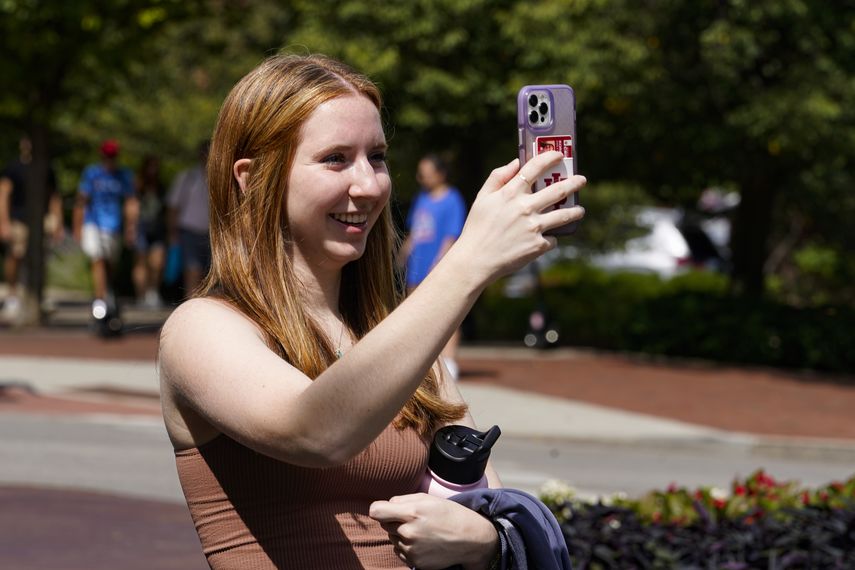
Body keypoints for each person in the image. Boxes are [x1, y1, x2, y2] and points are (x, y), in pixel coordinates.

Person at [157, 54, 585, 569]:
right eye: (336, 158)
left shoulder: (398, 339)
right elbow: (315, 432)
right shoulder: (201, 329)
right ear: (252, 177)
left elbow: (485, 496)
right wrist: (467, 263)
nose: (369, 184)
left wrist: (486, 540)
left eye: (377, 157)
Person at [400, 154, 468, 379]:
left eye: (426, 173)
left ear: (440, 174)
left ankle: (449, 360)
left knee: (447, 312)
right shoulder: (422, 199)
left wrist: (439, 262)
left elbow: (452, 234)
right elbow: (415, 232)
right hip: (416, 267)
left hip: (438, 266)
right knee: (414, 312)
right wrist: (402, 255)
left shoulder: (452, 199)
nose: (422, 178)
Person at [0, 136, 64, 322]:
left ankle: (37, 295)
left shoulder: (46, 167)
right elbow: (4, 194)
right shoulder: (13, 168)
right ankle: (12, 294)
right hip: (18, 218)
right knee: (16, 255)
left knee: (41, 258)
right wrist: (3, 221)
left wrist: (57, 221)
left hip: (41, 219)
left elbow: (54, 196)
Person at [72, 139, 137, 320]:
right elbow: (81, 200)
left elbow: (130, 202)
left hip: (113, 227)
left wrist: (131, 227)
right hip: (93, 223)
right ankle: (100, 300)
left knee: (110, 265)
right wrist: (78, 227)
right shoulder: (92, 174)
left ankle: (108, 295)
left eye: (112, 156)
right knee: (97, 259)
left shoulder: (124, 176)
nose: (110, 159)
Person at [166, 140, 210, 297]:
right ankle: (191, 305)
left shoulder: (218, 178)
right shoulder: (187, 177)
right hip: (189, 230)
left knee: (209, 276)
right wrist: (172, 233)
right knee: (192, 270)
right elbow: (173, 207)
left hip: (211, 233)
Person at [132, 154, 167, 308]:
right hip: (141, 226)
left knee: (157, 262)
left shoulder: (161, 186)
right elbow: (131, 206)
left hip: (157, 227)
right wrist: (130, 228)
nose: (153, 170)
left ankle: (153, 293)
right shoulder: (138, 185)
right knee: (141, 262)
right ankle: (141, 295)